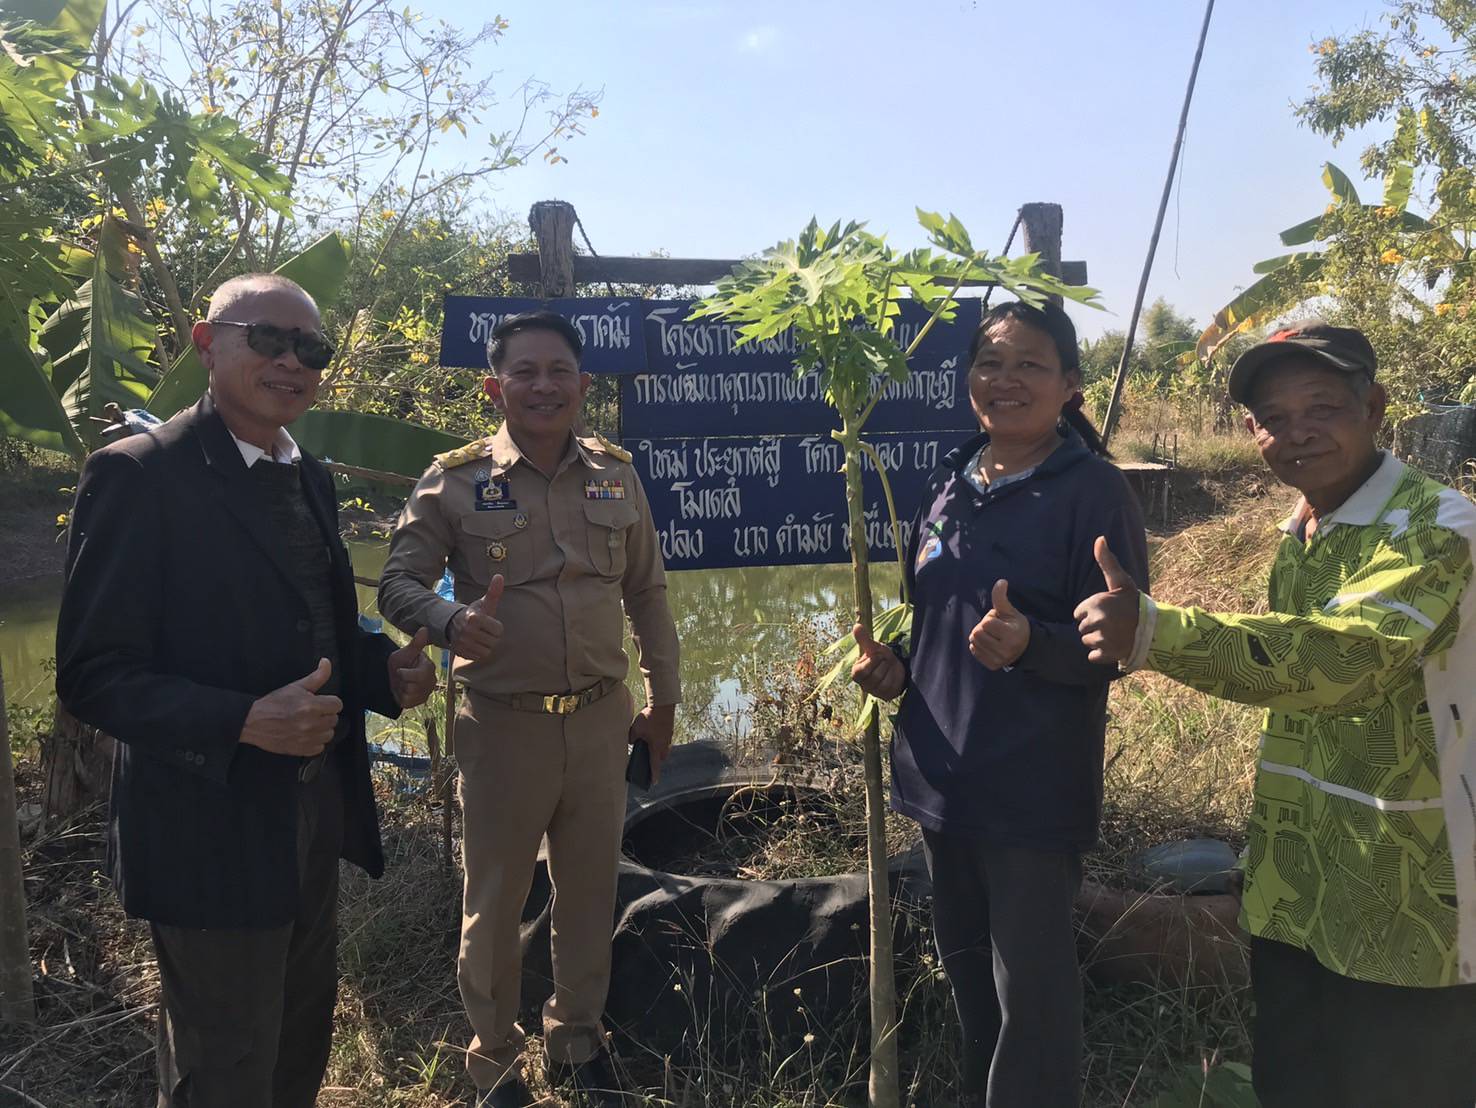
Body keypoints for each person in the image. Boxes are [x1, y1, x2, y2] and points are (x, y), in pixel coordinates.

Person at [55, 273, 437, 1108]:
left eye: (311, 348)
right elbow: (92, 674)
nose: (291, 361)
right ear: (206, 342)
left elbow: (317, 630)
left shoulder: (307, 474)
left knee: (299, 1037)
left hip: (309, 809)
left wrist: (383, 676)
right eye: (266, 338)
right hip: (207, 825)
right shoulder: (139, 475)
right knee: (225, 1066)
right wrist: (242, 721)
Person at [1076, 320, 1476, 1108]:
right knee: (1298, 1080)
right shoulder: (1302, 532)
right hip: (1297, 885)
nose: (1296, 434)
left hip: (1411, 897)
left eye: (1320, 408)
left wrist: (1156, 632)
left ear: (1375, 407)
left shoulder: (1440, 527)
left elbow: (1341, 659)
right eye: (1273, 418)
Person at [377, 309, 680, 1108]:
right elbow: (397, 584)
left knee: (587, 896)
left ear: (583, 385)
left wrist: (664, 699)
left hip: (600, 720)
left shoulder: (617, 472)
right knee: (496, 900)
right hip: (503, 725)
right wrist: (449, 622)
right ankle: (495, 1060)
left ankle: (577, 1041)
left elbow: (647, 592)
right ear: (494, 386)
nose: (543, 386)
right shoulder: (456, 477)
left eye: (558, 372)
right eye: (524, 372)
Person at [850, 300, 1149, 1107]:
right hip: (942, 780)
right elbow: (934, 617)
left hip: (1032, 788)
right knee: (971, 980)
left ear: (1070, 387)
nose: (1005, 380)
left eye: (1030, 365)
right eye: (989, 363)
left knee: (1034, 1005)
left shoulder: (1094, 493)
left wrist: (1034, 646)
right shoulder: (948, 482)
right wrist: (898, 671)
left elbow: (1120, 646)